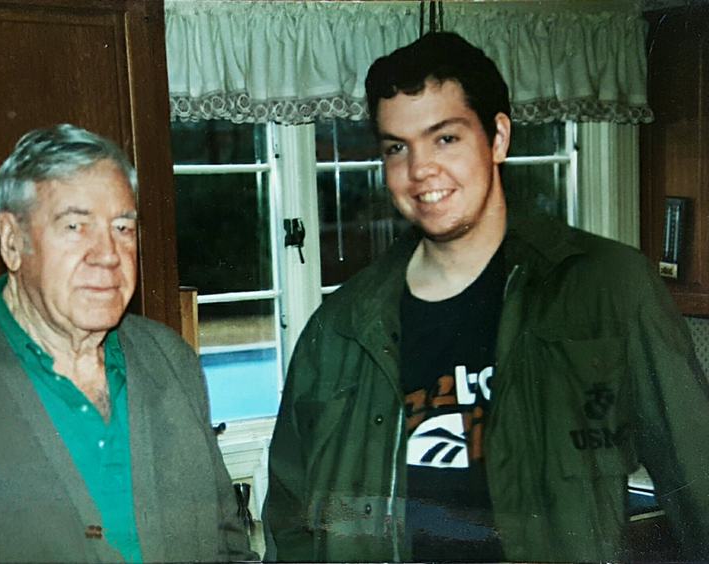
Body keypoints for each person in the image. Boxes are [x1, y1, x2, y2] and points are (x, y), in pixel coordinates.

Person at [264, 31, 709, 562]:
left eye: (445, 138)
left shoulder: (608, 287)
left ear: (498, 137)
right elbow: (293, 524)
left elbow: (699, 481)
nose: (420, 169)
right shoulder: (340, 329)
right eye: (397, 147)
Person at [0, 124, 255, 562]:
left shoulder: (171, 360)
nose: (108, 254)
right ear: (12, 241)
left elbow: (229, 548)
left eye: (123, 227)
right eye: (75, 226)